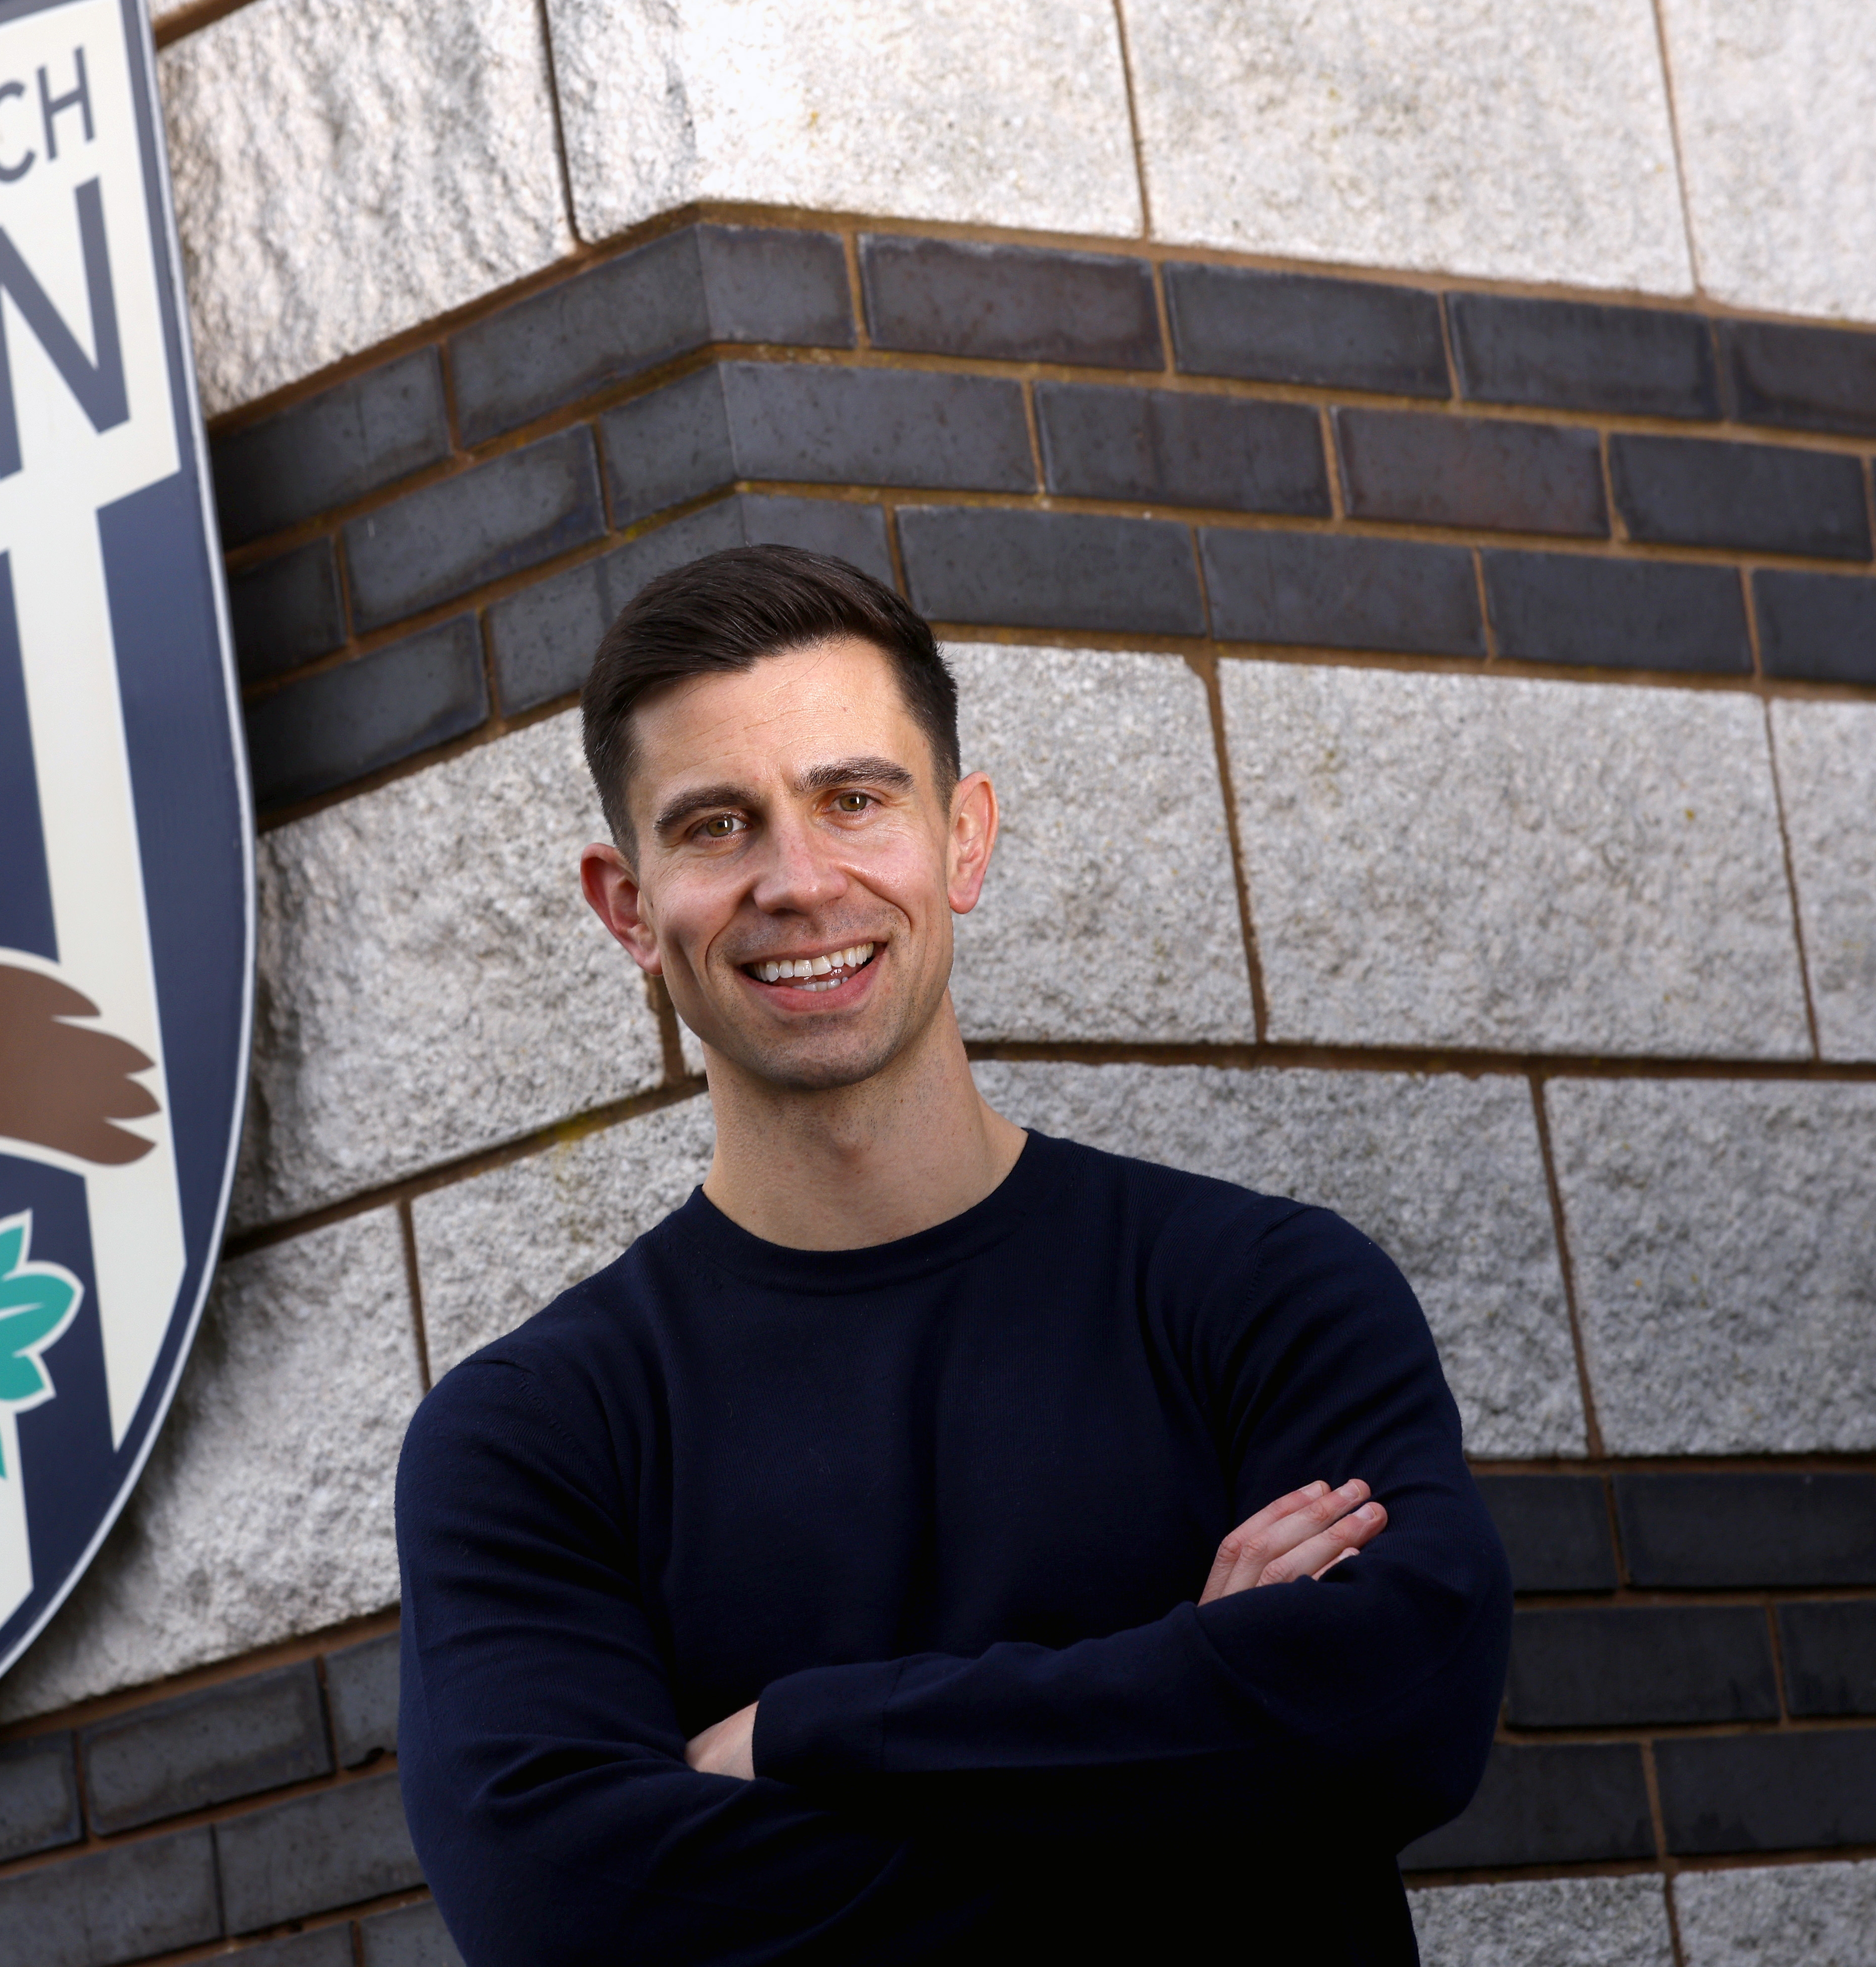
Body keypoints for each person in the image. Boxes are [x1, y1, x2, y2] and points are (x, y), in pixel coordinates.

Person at [393, 546, 1510, 1963]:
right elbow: (581, 1922)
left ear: (964, 839)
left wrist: (804, 1734)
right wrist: (1201, 1743)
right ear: (628, 907)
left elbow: (1397, 1714)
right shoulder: (534, 1439)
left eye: (854, 800)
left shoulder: (1263, 1293)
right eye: (719, 826)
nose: (799, 881)